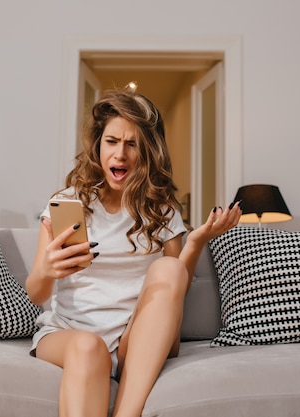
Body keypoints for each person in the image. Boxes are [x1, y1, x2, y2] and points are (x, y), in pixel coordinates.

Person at [26, 90, 241, 417]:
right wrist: (48, 269)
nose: (120, 154)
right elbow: (35, 291)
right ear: (98, 145)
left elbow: (172, 291)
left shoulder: (164, 211)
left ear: (147, 152)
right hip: (69, 335)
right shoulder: (68, 202)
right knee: (89, 346)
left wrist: (196, 242)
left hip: (134, 341)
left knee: (169, 269)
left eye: (132, 144)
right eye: (112, 141)